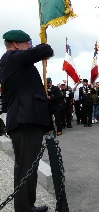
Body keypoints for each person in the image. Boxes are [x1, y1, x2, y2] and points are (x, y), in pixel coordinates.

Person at [0, 30, 53, 212]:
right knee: (26, 167)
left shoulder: (10, 62)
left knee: (27, 166)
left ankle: (26, 206)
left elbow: (6, 99)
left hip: (22, 119)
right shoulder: (13, 57)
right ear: (16, 44)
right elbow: (45, 50)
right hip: (26, 120)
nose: (29, 46)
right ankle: (24, 209)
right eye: (27, 43)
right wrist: (43, 41)